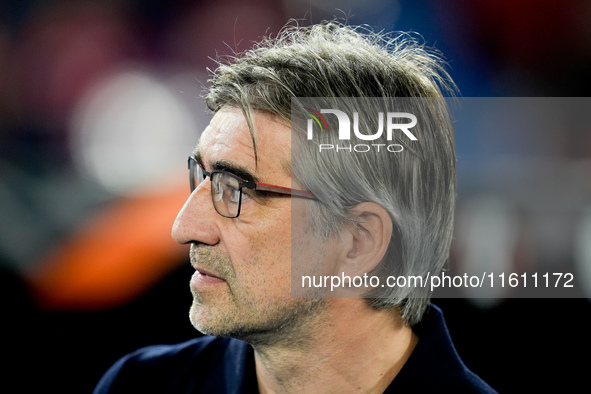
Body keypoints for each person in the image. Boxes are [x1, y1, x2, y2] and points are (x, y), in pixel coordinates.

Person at [94, 21, 497, 393]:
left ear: (359, 241)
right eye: (203, 176)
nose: (184, 228)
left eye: (237, 190)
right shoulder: (138, 385)